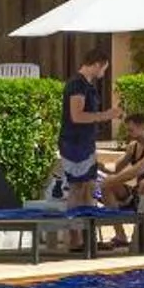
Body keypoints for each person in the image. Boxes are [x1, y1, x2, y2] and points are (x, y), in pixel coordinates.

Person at [58, 50, 112, 208]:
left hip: (84, 142)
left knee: (89, 186)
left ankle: (87, 220)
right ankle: (75, 222)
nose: (103, 73)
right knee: (78, 187)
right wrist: (105, 115)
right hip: (75, 143)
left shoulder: (86, 85)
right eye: (104, 69)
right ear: (97, 65)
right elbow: (77, 115)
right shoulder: (78, 84)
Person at [104, 107, 144, 209]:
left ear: (143, 127)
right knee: (107, 184)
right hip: (138, 189)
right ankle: (115, 218)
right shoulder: (133, 146)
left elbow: (137, 170)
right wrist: (101, 167)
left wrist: (114, 179)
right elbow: (117, 168)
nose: (128, 134)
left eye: (131, 130)